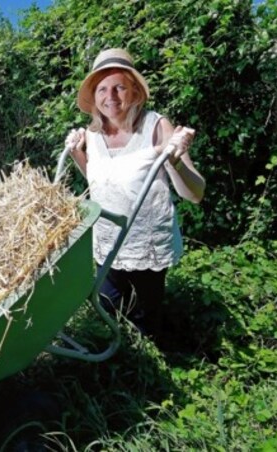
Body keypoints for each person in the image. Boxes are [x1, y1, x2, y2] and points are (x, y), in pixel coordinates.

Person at [64, 48, 206, 343]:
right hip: (107, 241)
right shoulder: (92, 134)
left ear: (135, 91)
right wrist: (78, 153)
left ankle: (150, 365)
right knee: (107, 309)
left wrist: (176, 159)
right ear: (94, 97)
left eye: (119, 87)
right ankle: (120, 359)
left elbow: (195, 194)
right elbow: (100, 181)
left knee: (146, 317)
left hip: (146, 244)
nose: (110, 96)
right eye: (102, 89)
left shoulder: (156, 126)